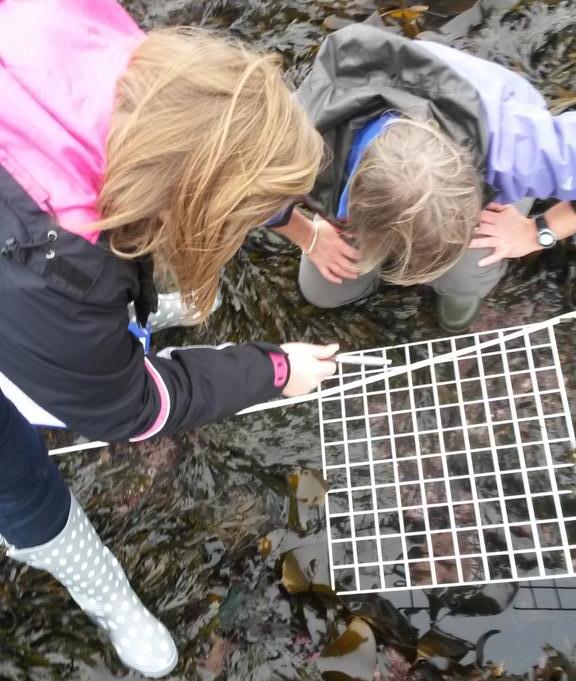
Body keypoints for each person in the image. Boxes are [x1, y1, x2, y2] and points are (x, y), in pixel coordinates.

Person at [0, 0, 338, 676]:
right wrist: (273, 370)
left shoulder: (117, 48)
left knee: (95, 312)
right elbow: (134, 408)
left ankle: (124, 324)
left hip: (40, 257)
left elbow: (197, 137)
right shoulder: (59, 281)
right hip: (28, 279)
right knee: (14, 475)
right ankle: (101, 588)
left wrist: (294, 220)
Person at [272, 22, 576, 332]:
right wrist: (309, 236)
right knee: (321, 292)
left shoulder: (517, 150)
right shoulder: (299, 139)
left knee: (466, 276)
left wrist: (537, 231)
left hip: (486, 121)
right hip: (367, 129)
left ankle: (459, 282)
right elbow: (248, 192)